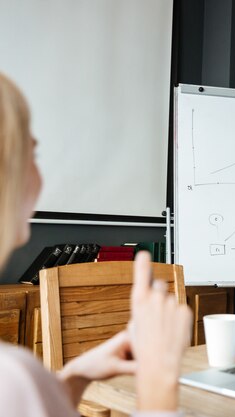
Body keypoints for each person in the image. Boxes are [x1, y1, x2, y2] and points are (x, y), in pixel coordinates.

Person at [0, 72, 193, 416]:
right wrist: (158, 384)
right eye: (32, 155)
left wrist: (74, 377)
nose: (40, 178)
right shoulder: (13, 377)